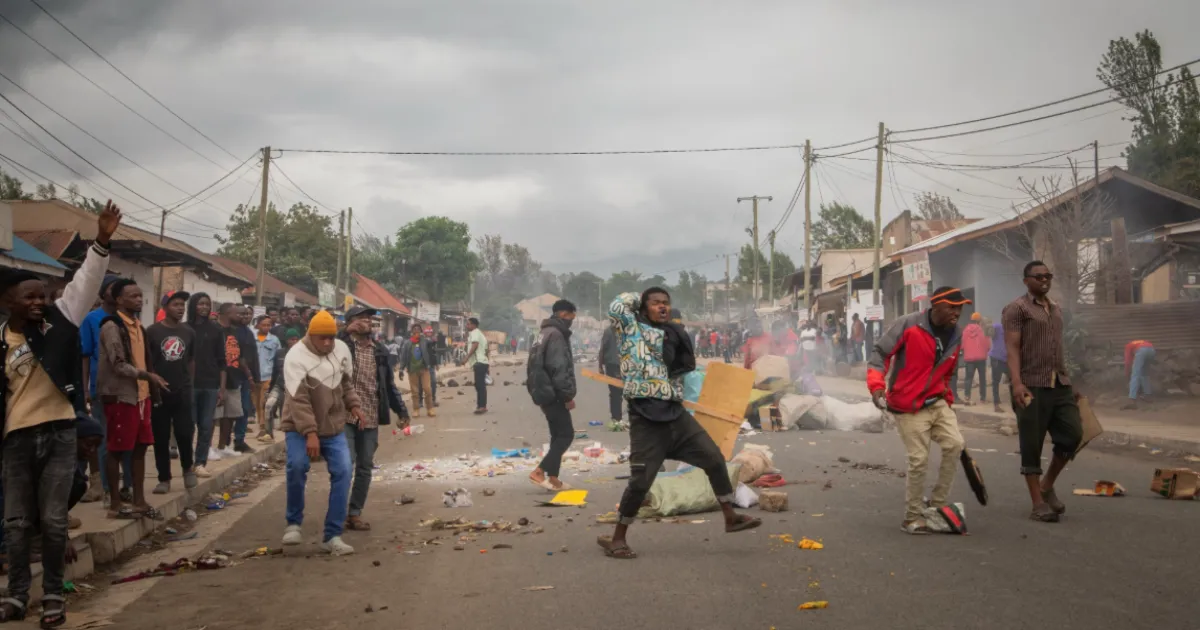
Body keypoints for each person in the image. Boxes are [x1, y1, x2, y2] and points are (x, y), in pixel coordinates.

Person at [0, 201, 118, 626]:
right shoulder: (1, 339)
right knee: (15, 522)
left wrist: (102, 241)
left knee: (51, 521)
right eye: (29, 297)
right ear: (7, 302)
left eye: (44, 295)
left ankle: (52, 595)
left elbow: (86, 283)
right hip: (16, 440)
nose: (39, 302)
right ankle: (16, 596)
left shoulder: (60, 321)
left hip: (59, 434)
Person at [600, 288, 760, 560]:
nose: (662, 307)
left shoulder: (673, 334)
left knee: (714, 458)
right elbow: (616, 306)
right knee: (640, 482)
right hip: (646, 418)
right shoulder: (630, 329)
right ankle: (617, 538)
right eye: (655, 303)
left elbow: (685, 368)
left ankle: (730, 516)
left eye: (666, 303)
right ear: (643, 306)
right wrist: (638, 299)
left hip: (675, 414)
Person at [868, 286, 968, 535]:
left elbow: (948, 372)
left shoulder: (957, 334)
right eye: (952, 307)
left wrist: (948, 398)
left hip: (937, 401)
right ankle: (912, 517)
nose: (957, 312)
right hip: (906, 405)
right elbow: (880, 353)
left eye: (960, 307)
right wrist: (877, 386)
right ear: (936, 306)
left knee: (955, 444)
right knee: (919, 459)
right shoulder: (908, 324)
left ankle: (936, 506)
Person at [279, 311, 364, 557]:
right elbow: (299, 400)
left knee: (344, 471)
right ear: (310, 335)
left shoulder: (340, 351)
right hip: (299, 426)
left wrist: (355, 405)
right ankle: (293, 523)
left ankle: (332, 535)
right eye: (321, 338)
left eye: (330, 338)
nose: (327, 343)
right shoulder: (295, 357)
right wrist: (310, 434)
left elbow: (345, 383)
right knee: (297, 465)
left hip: (332, 426)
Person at [1003, 261, 1082, 524]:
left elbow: (1059, 349)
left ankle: (1047, 485)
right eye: (1039, 277)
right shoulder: (1017, 309)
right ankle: (1038, 503)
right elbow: (1012, 348)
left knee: (1073, 435)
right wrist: (1016, 383)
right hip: (1030, 384)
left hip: (1059, 383)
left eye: (1048, 276)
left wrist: (1071, 383)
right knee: (1031, 444)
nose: (1045, 280)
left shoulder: (1056, 309)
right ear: (1026, 280)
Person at [98, 278, 170, 522]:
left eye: (140, 296)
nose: (139, 299)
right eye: (133, 296)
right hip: (121, 395)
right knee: (116, 449)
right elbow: (119, 365)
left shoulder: (139, 326)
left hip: (142, 395)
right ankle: (116, 503)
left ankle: (139, 500)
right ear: (118, 300)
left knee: (140, 447)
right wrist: (147, 375)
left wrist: (149, 382)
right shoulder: (112, 326)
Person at [339, 306, 409, 532]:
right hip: (344, 415)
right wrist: (345, 331)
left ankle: (354, 513)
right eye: (362, 319)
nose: (368, 322)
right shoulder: (341, 346)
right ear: (351, 322)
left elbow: (388, 385)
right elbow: (323, 344)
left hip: (370, 416)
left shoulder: (379, 350)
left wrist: (402, 411)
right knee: (344, 466)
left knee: (365, 467)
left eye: (370, 319)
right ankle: (338, 514)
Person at [79, 274, 133, 505]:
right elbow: (84, 355)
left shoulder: (128, 319)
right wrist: (85, 389)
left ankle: (128, 485)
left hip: (128, 388)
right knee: (103, 439)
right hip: (102, 387)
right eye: (114, 289)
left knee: (128, 439)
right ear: (104, 293)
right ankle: (103, 487)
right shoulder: (92, 319)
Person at [146, 291, 197, 494]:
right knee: (160, 437)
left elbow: (191, 360)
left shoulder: (188, 332)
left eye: (182, 304)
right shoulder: (152, 332)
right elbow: (148, 361)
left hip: (182, 390)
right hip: (160, 392)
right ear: (165, 307)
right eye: (176, 304)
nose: (180, 308)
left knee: (185, 433)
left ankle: (187, 468)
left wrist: (189, 384)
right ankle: (164, 478)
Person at [527, 299, 578, 492]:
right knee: (566, 435)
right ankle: (539, 471)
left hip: (542, 390)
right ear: (565, 314)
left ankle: (554, 478)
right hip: (553, 392)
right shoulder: (556, 335)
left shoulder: (543, 333)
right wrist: (567, 395)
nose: (572, 321)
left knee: (557, 435)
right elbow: (559, 368)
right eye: (572, 317)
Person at [186, 293, 227, 478]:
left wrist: (222, 388)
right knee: (188, 426)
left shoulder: (216, 330)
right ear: (193, 305)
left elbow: (222, 361)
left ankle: (200, 462)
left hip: (210, 384)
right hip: (189, 384)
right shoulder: (185, 329)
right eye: (200, 303)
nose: (204, 307)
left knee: (206, 425)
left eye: (207, 304)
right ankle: (186, 463)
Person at [214, 303, 247, 458]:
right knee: (214, 416)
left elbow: (239, 356)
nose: (240, 316)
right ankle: (207, 448)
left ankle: (223, 446)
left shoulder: (235, 331)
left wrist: (248, 375)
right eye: (236, 313)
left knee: (231, 414)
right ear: (227, 313)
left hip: (234, 377)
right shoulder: (215, 329)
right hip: (217, 378)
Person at [232, 306, 259, 454]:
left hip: (246, 378)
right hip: (234, 376)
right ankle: (227, 442)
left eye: (247, 314)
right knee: (232, 412)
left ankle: (239, 440)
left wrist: (255, 376)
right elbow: (239, 357)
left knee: (244, 409)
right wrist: (250, 375)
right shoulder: (232, 331)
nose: (244, 316)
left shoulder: (248, 332)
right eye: (241, 314)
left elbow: (253, 357)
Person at [397, 323, 436, 418]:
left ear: (421, 331)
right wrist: (401, 369)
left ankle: (430, 409)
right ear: (412, 331)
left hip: (424, 369)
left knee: (427, 389)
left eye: (418, 329)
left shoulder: (425, 341)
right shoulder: (407, 343)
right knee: (414, 391)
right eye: (415, 329)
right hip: (412, 370)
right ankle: (416, 409)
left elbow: (432, 345)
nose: (417, 330)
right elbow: (403, 356)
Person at [253, 316, 281, 443]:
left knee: (264, 401)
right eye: (263, 325)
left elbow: (278, 357)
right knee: (256, 402)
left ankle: (264, 426)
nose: (266, 327)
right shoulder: (252, 338)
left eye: (268, 325)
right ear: (258, 325)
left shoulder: (274, 340)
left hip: (268, 374)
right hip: (254, 375)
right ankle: (261, 424)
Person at [960, 312, 990, 405]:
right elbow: (987, 344)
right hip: (981, 358)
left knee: (968, 378)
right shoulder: (982, 330)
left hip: (969, 359)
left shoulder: (965, 331)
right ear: (979, 321)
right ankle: (983, 398)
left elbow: (962, 345)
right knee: (982, 378)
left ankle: (967, 396)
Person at [598, 322, 623, 424]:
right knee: (618, 393)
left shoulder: (608, 331)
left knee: (615, 393)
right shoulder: (628, 330)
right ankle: (617, 417)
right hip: (620, 365)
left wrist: (600, 366)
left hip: (612, 366)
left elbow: (603, 349)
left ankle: (616, 417)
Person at [465, 317, 489, 414]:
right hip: (483, 362)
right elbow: (487, 350)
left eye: (468, 324)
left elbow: (475, 345)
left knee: (480, 385)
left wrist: (466, 358)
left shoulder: (474, 332)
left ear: (474, 325)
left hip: (479, 362)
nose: (467, 326)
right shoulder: (481, 334)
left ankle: (482, 406)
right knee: (480, 385)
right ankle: (482, 405)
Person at [1123, 339, 1155, 409]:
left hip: (1141, 351)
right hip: (1151, 350)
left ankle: (1132, 399)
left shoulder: (1128, 346)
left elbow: (1128, 362)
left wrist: (1126, 373)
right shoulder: (1137, 343)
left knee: (1135, 375)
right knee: (1144, 374)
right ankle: (1148, 395)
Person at [988, 320, 1008, 413]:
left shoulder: (1013, 329)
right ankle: (996, 405)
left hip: (1007, 359)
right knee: (996, 381)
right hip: (996, 358)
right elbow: (988, 331)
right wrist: (988, 326)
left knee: (1015, 379)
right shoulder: (997, 326)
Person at [422, 326, 440, 410]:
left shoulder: (433, 342)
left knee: (433, 382)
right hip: (423, 366)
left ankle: (432, 399)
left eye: (430, 332)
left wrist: (436, 364)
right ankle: (420, 400)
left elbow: (434, 354)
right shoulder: (421, 342)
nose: (429, 334)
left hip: (431, 366)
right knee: (422, 384)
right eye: (428, 332)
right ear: (425, 333)